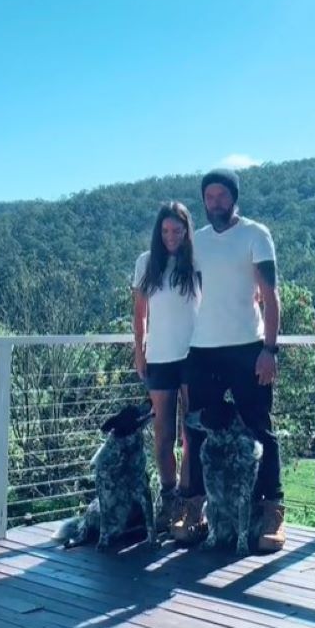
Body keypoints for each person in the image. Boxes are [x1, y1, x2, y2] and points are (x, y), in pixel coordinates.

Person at [173, 168, 285, 551]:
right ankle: (196, 510)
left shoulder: (256, 234)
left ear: (234, 198)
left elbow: (270, 297)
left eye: (222, 195)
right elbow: (174, 280)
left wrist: (269, 350)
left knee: (258, 427)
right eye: (210, 196)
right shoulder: (197, 241)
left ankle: (272, 510)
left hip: (247, 348)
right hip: (203, 349)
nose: (215, 202)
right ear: (203, 201)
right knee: (197, 431)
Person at [132, 201, 201, 532]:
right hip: (159, 357)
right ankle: (169, 497)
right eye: (165, 230)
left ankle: (189, 504)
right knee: (163, 436)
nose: (171, 236)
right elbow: (140, 312)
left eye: (177, 229)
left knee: (192, 434)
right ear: (158, 233)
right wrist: (139, 349)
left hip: (194, 356)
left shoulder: (198, 262)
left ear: (186, 230)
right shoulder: (146, 263)